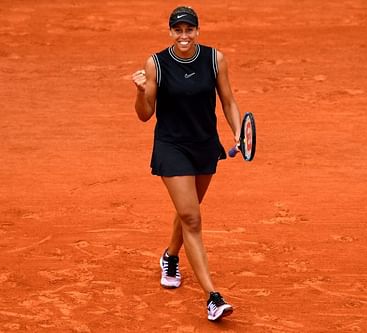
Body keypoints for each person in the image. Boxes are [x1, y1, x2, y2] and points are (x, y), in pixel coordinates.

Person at [131, 5, 241, 321]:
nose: (183, 35)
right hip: (172, 146)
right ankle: (213, 297)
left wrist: (238, 134)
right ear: (170, 32)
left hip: (205, 146)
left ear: (196, 31)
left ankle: (170, 256)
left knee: (187, 211)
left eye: (188, 30)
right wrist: (140, 92)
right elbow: (144, 114)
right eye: (177, 30)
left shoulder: (215, 59)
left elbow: (229, 102)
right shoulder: (156, 64)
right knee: (192, 217)